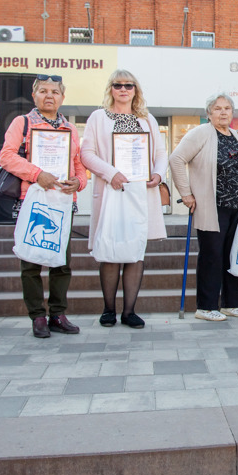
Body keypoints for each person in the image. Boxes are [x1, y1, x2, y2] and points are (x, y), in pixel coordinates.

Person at [0, 74, 87, 338]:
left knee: (62, 262)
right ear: (34, 95)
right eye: (44, 91)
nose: (50, 96)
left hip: (62, 202)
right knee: (31, 262)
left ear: (62, 97)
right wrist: (38, 174)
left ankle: (58, 314)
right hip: (32, 199)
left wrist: (79, 182)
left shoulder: (69, 129)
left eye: (55, 92)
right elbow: (6, 156)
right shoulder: (22, 123)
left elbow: (79, 164)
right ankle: (37, 316)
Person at [80, 69, 167, 329]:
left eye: (129, 85)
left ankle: (129, 311)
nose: (123, 89)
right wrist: (111, 173)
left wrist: (158, 174)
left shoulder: (147, 119)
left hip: (139, 193)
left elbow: (161, 153)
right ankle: (108, 310)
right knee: (110, 251)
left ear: (135, 90)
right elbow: (86, 153)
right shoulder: (98, 117)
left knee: (134, 252)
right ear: (111, 89)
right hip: (111, 191)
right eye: (118, 85)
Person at [169, 93, 238, 322]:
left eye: (228, 108)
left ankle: (232, 304)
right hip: (213, 206)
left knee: (234, 256)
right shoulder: (200, 134)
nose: (223, 112)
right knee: (212, 256)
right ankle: (206, 306)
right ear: (209, 113)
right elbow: (176, 160)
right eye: (218, 108)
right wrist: (186, 194)